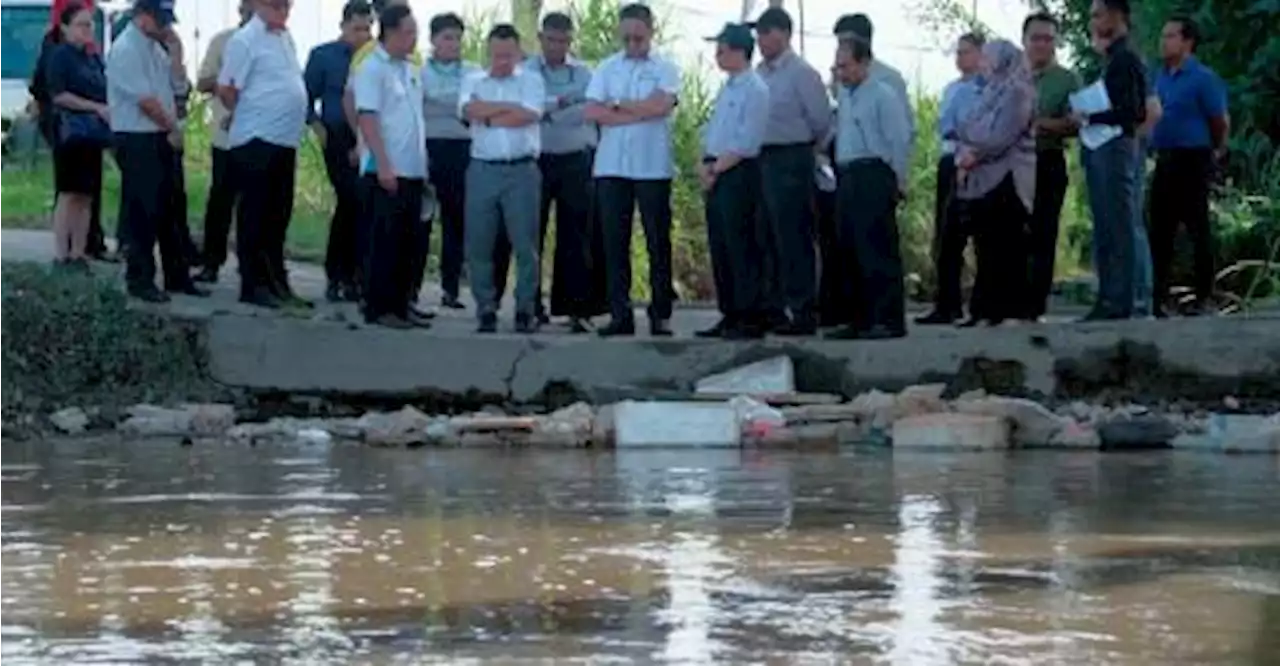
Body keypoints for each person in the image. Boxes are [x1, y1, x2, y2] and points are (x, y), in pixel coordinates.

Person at [584, 3, 680, 338]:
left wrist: (619, 105)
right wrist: (637, 110)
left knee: (657, 241)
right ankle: (619, 313)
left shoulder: (666, 68)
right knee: (614, 242)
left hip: (652, 165)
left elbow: (662, 106)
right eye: (626, 37)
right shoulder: (607, 68)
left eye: (638, 37)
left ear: (650, 33)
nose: (632, 43)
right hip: (612, 166)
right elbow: (593, 110)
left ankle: (660, 313)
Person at [105, 0, 205, 302]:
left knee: (172, 207)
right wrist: (171, 127)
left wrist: (176, 55)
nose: (165, 27)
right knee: (143, 210)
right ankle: (141, 278)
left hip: (161, 135)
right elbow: (146, 101)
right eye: (159, 20)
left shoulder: (155, 48)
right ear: (141, 16)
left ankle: (177, 274)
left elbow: (177, 89)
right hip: (137, 136)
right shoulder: (126, 50)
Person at [217, 0, 310, 309]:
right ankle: (252, 282)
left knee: (278, 213)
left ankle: (275, 280)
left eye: (287, 6)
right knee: (254, 213)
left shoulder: (285, 37)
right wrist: (253, 109)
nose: (283, 12)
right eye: (276, 5)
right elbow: (227, 88)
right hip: (257, 137)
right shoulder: (245, 40)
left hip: (285, 139)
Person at [458, 24, 546, 334]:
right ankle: (485, 307)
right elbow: (470, 111)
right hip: (483, 168)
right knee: (479, 242)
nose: (502, 62)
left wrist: (490, 115)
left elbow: (529, 114)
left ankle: (525, 308)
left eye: (508, 56)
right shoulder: (472, 80)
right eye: (497, 55)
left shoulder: (532, 81)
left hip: (521, 170)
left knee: (525, 243)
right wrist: (508, 109)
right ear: (488, 51)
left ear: (518, 53)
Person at [750, 7, 830, 336]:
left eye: (764, 35)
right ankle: (773, 308)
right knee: (764, 234)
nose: (759, 42)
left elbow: (822, 121)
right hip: (762, 157)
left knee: (793, 235)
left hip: (792, 156)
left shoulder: (802, 74)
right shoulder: (759, 73)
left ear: (782, 34)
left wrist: (805, 150)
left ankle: (802, 310)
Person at [827, 36, 911, 340]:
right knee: (849, 247)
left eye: (846, 66)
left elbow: (899, 139)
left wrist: (899, 179)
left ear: (864, 63)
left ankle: (887, 319)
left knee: (876, 247)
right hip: (848, 173)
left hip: (874, 171)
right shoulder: (845, 96)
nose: (841, 73)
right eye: (837, 67)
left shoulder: (883, 95)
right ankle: (858, 318)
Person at [352, 3, 429, 329]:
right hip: (384, 168)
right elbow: (367, 117)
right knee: (383, 240)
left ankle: (401, 303)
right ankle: (378, 306)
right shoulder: (372, 68)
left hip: (412, 168)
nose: (414, 39)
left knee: (408, 242)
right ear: (391, 32)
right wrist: (383, 163)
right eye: (409, 33)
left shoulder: (409, 69)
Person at [1148, 15, 1229, 317]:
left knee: (1198, 228)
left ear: (1187, 42)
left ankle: (1204, 297)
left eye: (1170, 36)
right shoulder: (1160, 77)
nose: (1163, 41)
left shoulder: (1203, 78)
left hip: (1194, 157)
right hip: (1165, 158)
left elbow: (1219, 120)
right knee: (1160, 229)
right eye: (1163, 35)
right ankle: (1158, 297)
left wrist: (1216, 150)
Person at [953, 39, 1037, 327]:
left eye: (988, 58)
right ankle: (983, 310)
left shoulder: (1018, 93)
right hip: (983, 180)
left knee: (1007, 245)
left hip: (1008, 179)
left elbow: (1000, 136)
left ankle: (1008, 309)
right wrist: (971, 145)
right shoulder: (988, 92)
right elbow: (963, 127)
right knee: (984, 246)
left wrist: (974, 149)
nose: (982, 63)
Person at [1077, 0, 1151, 321]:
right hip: (1105, 147)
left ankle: (1126, 300)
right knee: (1106, 224)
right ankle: (1109, 297)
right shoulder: (1112, 59)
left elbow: (1133, 112)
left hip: (1117, 146)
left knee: (1120, 224)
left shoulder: (1126, 58)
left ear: (1116, 15)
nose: (1093, 22)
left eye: (1098, 14)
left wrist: (1089, 115)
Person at [696, 23, 770, 340]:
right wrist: (705, 165)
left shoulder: (756, 88)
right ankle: (729, 312)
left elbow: (746, 141)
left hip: (738, 172)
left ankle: (750, 315)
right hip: (717, 170)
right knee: (721, 245)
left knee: (741, 245)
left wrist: (717, 169)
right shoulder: (728, 87)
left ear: (740, 51)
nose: (718, 56)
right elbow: (714, 132)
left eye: (723, 50)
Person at [526, 12, 598, 332]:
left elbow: (590, 110)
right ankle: (530, 305)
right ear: (541, 39)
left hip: (576, 159)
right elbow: (529, 108)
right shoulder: (525, 71)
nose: (556, 46)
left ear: (571, 41)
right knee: (531, 233)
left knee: (576, 234)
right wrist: (562, 104)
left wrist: (551, 110)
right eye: (551, 39)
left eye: (562, 40)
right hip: (537, 159)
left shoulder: (585, 73)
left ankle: (575, 309)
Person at [305, 0, 374, 303]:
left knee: (362, 204)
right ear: (344, 26)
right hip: (336, 136)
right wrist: (316, 126)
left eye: (368, 28)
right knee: (349, 198)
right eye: (357, 28)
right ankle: (338, 274)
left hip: (366, 134)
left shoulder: (373, 58)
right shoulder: (324, 56)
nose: (363, 34)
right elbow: (305, 96)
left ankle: (354, 275)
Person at [918, 31, 985, 325]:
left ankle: (982, 305)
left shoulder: (986, 89)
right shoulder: (950, 89)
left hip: (975, 162)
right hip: (949, 159)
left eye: (966, 51)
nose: (960, 57)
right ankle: (946, 303)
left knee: (977, 233)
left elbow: (975, 127)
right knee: (945, 236)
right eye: (958, 52)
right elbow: (945, 126)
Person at [1023, 12, 1082, 321]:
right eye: (1036, 38)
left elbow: (1078, 123)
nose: (1042, 45)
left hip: (1047, 160)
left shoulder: (1067, 79)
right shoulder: (1011, 75)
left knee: (1043, 233)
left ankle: (1035, 306)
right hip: (1012, 165)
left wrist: (1042, 124)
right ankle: (1010, 300)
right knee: (1012, 234)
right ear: (1025, 41)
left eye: (1048, 39)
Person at [423, 13, 482, 311]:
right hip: (428, 148)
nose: (453, 44)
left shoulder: (472, 72)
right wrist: (454, 105)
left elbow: (470, 107)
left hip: (462, 149)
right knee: (420, 219)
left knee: (455, 221)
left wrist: (442, 103)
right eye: (447, 37)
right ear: (433, 40)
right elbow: (426, 104)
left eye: (458, 38)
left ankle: (451, 289)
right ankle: (409, 288)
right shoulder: (419, 71)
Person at [44, 2, 107, 271]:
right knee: (69, 193)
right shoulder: (60, 56)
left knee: (87, 195)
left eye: (90, 24)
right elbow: (59, 94)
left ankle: (79, 252)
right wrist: (94, 107)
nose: (86, 30)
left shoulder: (93, 58)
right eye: (81, 24)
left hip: (93, 134)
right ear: (66, 27)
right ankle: (61, 253)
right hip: (69, 131)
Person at [193, 0, 253, 284]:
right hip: (226, 136)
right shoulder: (223, 41)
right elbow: (202, 82)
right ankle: (211, 261)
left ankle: (251, 264)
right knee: (220, 201)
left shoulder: (275, 44)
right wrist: (225, 83)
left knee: (254, 204)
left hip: (259, 136)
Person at [832, 14, 914, 145]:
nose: (840, 49)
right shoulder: (842, 82)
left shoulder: (889, 79)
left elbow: (903, 131)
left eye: (846, 43)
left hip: (878, 160)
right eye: (839, 43)